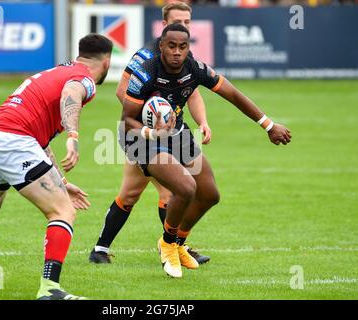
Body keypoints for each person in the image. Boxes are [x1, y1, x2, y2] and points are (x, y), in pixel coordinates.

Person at [0, 34, 113, 299]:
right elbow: (71, 94)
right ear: (107, 61)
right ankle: (50, 290)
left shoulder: (55, 72)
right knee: (62, 211)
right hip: (13, 141)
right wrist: (73, 137)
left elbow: (39, 142)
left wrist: (62, 183)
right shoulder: (83, 78)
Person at [121, 23, 291, 278]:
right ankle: (167, 244)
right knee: (186, 188)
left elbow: (233, 94)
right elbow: (127, 119)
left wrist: (268, 125)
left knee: (209, 194)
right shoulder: (145, 73)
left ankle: (177, 243)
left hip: (176, 133)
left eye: (183, 46)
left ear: (188, 47)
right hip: (141, 138)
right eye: (171, 46)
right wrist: (151, 132)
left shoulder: (195, 68)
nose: (177, 52)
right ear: (161, 47)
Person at [89, 1, 211, 265]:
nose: (184, 26)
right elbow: (122, 91)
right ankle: (174, 247)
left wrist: (202, 121)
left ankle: (100, 249)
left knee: (130, 192)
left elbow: (195, 93)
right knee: (170, 191)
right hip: (142, 136)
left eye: (188, 23)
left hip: (171, 136)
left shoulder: (184, 58)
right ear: (164, 25)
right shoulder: (145, 57)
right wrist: (152, 114)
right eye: (179, 22)